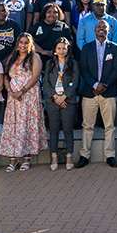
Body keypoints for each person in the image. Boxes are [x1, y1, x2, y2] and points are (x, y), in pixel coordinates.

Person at [76, 20, 117, 168]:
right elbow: (83, 68)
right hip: (90, 92)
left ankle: (110, 155)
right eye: (99, 27)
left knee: (109, 126)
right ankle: (84, 155)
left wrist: (104, 86)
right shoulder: (87, 48)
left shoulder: (115, 48)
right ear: (94, 30)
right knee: (87, 125)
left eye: (104, 27)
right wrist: (95, 85)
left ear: (109, 31)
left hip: (108, 93)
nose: (101, 29)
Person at [0, 33, 45, 172]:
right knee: (13, 127)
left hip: (28, 96)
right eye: (21, 42)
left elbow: (36, 77)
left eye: (26, 43)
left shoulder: (35, 57)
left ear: (30, 44)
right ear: (17, 44)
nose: (23, 45)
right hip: (13, 98)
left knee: (26, 125)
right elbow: (6, 75)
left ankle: (27, 158)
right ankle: (13, 159)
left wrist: (21, 91)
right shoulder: (12, 58)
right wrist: (10, 91)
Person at [41, 36, 78, 170]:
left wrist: (65, 96)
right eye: (59, 48)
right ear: (55, 50)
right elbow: (46, 83)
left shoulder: (73, 63)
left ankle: (69, 156)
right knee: (54, 129)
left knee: (68, 129)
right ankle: (54, 157)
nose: (61, 51)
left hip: (68, 101)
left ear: (68, 50)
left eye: (64, 48)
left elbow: (74, 82)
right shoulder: (50, 64)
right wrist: (56, 97)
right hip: (53, 101)